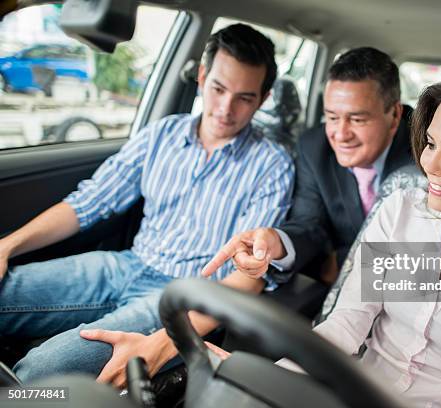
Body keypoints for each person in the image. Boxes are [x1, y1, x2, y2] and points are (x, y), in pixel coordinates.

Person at [208, 68, 441, 406]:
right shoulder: (399, 212)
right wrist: (268, 378)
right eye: (431, 143)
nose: (429, 165)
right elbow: (346, 323)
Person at [0, 23, 294, 385]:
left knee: (42, 371)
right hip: (126, 265)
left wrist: (169, 339)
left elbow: (249, 279)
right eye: (218, 89)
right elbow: (88, 203)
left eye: (244, 98)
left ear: (262, 99)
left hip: (185, 295)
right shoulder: (161, 135)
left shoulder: (272, 164)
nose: (225, 108)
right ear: (202, 78)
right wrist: (6, 246)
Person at [202, 46, 414, 284]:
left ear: (394, 115)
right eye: (332, 117)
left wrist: (342, 260)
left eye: (357, 119)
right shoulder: (314, 148)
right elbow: (309, 226)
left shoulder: (430, 153)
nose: (341, 134)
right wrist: (276, 243)